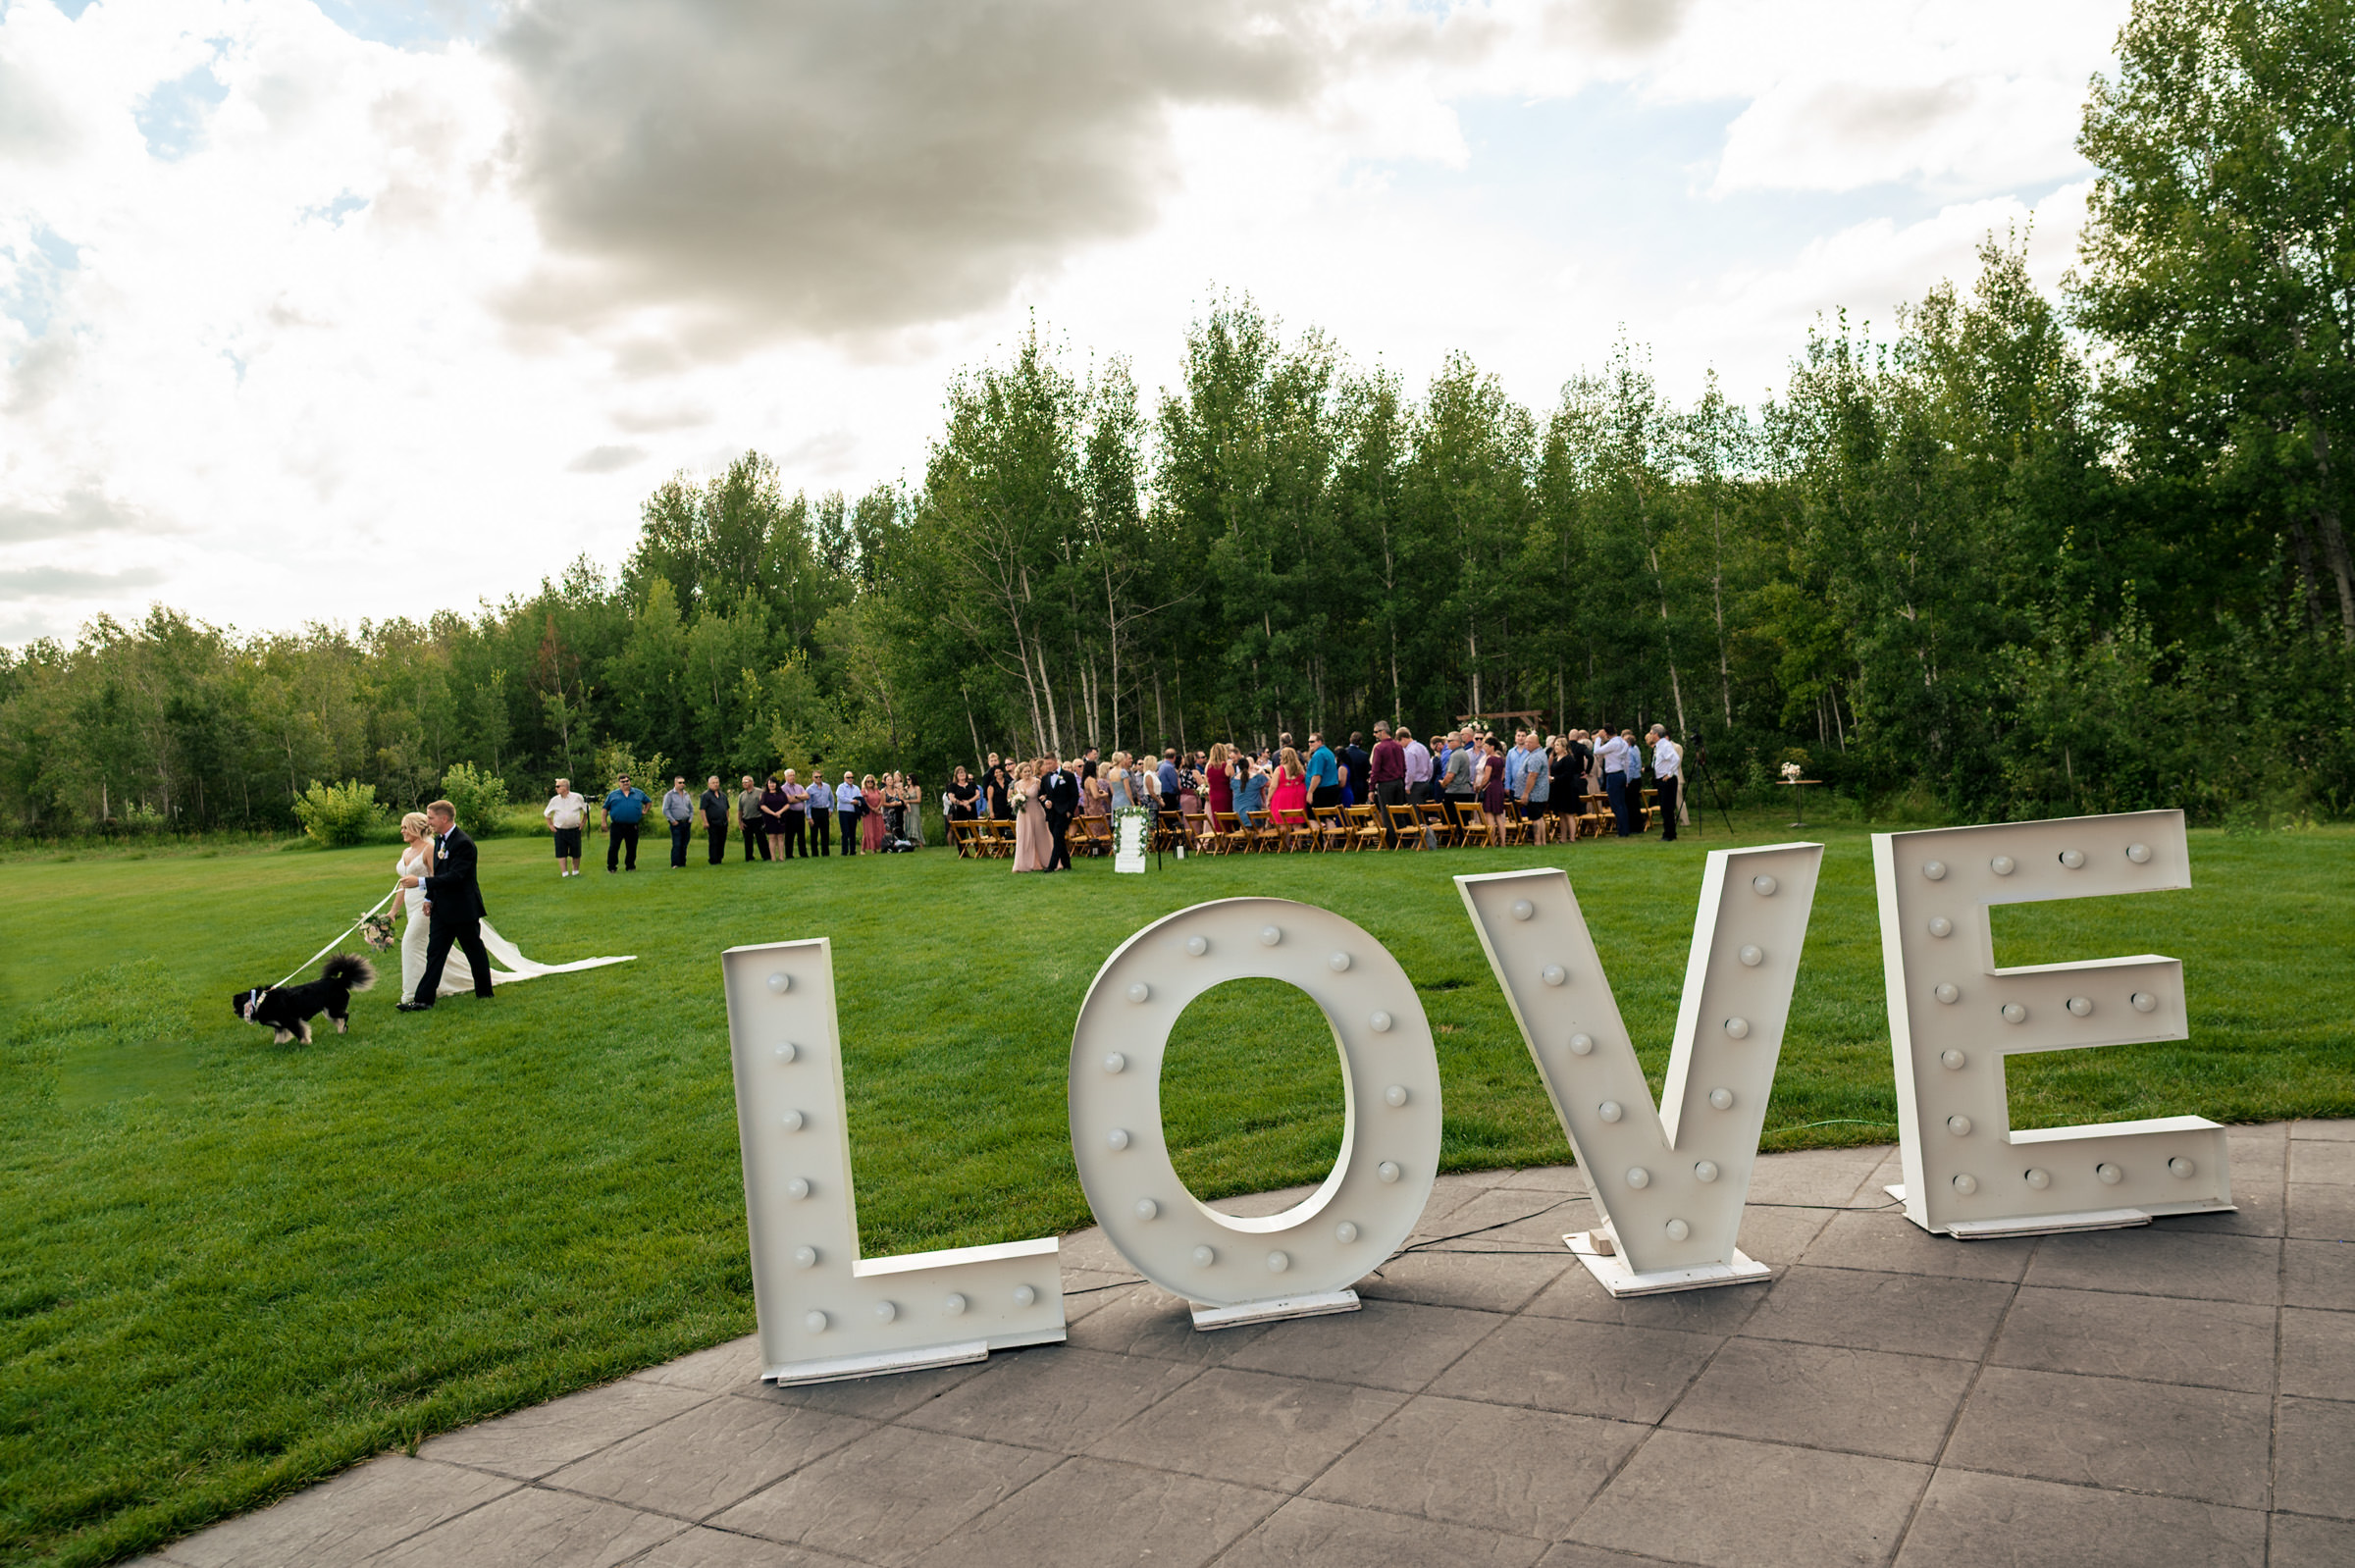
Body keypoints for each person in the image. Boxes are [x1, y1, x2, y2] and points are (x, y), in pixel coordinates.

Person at [396, 799, 495, 1011]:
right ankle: (423, 1000)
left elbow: (456, 877)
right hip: (441, 909)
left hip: (462, 908)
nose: (428, 822)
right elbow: (438, 873)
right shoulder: (440, 841)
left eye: (430, 818)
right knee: (435, 953)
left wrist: (420, 883)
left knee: (473, 951)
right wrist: (429, 898)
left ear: (444, 818)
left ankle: (485, 992)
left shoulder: (463, 843)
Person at [1369, 722, 1407, 845]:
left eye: (1376, 732)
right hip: (1399, 782)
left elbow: (1375, 769)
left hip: (1386, 784)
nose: (1374, 734)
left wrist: (1371, 788)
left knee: (1387, 813)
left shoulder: (1379, 748)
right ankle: (1403, 840)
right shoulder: (1398, 746)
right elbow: (1404, 766)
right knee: (1399, 812)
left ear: (1382, 731)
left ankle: (1392, 842)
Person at [1039, 752, 1078, 870]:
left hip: (1064, 812)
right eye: (1046, 764)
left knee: (1057, 837)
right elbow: (1041, 795)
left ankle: (1052, 866)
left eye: (1050, 763)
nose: (1048, 766)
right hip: (1051, 813)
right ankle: (1067, 864)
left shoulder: (1068, 776)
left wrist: (1070, 811)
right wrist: (1046, 802)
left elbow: (1074, 795)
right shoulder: (1045, 778)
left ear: (1055, 762)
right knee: (1058, 838)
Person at [602, 773, 649, 871]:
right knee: (614, 847)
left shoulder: (638, 793)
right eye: (623, 782)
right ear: (619, 783)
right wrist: (603, 822)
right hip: (617, 825)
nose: (626, 783)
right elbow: (605, 808)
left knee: (632, 847)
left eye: (627, 781)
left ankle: (630, 866)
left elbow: (648, 801)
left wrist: (645, 810)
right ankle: (612, 867)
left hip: (632, 825)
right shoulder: (613, 794)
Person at [543, 776, 587, 877]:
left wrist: (583, 823)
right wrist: (550, 825)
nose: (556, 788)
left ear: (565, 787)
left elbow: (586, 810)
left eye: (558, 786)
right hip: (560, 830)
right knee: (561, 851)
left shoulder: (577, 797)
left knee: (576, 851)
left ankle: (575, 871)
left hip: (574, 829)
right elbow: (547, 813)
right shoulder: (554, 800)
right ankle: (564, 873)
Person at [1010, 762, 1048, 872]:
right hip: (1023, 814)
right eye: (1025, 772)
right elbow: (1012, 799)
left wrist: (1044, 797)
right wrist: (1016, 802)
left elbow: (1045, 794)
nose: (1027, 773)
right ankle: (1023, 864)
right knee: (1024, 837)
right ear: (1020, 773)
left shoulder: (1037, 782)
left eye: (1029, 771)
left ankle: (1043, 861)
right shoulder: (1017, 785)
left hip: (1036, 811)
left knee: (1040, 836)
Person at [1648, 724, 1683, 843]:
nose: (1650, 735)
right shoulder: (1660, 746)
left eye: (1651, 733)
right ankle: (1670, 832)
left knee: (1667, 807)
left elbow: (1675, 759)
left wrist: (1669, 773)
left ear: (1656, 735)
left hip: (1667, 780)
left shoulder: (1665, 745)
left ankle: (1669, 834)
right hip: (1661, 779)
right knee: (1666, 807)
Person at [1598, 727, 1636, 837]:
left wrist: (1598, 739)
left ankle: (1622, 830)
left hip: (1613, 775)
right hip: (1621, 774)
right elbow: (1627, 762)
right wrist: (1627, 778)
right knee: (1622, 804)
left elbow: (1597, 751)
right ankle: (1625, 829)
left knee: (1616, 804)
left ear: (1606, 733)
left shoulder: (1612, 744)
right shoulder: (1623, 743)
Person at [1517, 731, 1551, 845]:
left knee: (1535, 818)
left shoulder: (1536, 757)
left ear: (1537, 743)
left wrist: (1526, 793)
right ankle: (1542, 841)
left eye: (1529, 742)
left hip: (1535, 793)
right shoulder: (1539, 753)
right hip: (1540, 792)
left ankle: (1537, 841)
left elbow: (1532, 775)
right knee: (1539, 817)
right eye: (1526, 742)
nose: (1527, 744)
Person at [1480, 736, 1510, 845]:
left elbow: (1486, 776)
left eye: (1486, 746)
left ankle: (1492, 841)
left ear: (1492, 747)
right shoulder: (1501, 759)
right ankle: (1503, 842)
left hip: (1490, 787)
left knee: (1489, 816)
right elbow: (1502, 776)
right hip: (1499, 787)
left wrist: (1481, 786)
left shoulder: (1490, 759)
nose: (1484, 748)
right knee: (1499, 817)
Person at [661, 776, 695, 868]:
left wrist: (690, 819)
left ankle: (682, 863)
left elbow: (691, 808)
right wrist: (672, 820)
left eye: (683, 782)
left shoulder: (686, 795)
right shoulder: (670, 795)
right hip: (676, 823)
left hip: (686, 822)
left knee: (684, 844)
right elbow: (665, 809)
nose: (682, 784)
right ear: (675, 783)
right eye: (680, 783)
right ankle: (675, 863)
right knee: (677, 844)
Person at [699, 775, 731, 864]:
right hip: (712, 822)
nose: (716, 784)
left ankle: (720, 858)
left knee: (722, 841)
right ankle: (713, 859)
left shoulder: (723, 795)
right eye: (713, 783)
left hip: (723, 822)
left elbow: (727, 808)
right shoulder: (706, 795)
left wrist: (727, 818)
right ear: (709, 784)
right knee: (714, 841)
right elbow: (702, 809)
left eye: (717, 782)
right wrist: (705, 822)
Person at [736, 774, 768, 862]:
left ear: (752, 782)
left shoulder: (760, 792)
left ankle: (766, 856)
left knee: (761, 839)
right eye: (743, 782)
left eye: (746, 782)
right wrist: (740, 822)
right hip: (746, 820)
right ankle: (749, 857)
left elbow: (765, 806)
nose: (744, 784)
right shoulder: (741, 795)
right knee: (748, 840)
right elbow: (740, 810)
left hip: (758, 819)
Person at [759, 773, 791, 861]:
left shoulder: (781, 793)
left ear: (776, 784)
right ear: (767, 784)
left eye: (773, 783)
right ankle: (773, 857)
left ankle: (781, 856)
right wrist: (773, 813)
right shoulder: (765, 794)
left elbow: (787, 805)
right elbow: (762, 806)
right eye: (770, 783)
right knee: (772, 837)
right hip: (769, 818)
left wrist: (779, 812)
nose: (772, 785)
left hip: (781, 817)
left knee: (781, 837)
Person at [778, 768, 810, 858]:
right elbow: (789, 800)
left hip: (800, 814)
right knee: (790, 835)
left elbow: (807, 796)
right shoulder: (783, 788)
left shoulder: (799, 787)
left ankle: (803, 854)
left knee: (801, 835)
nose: (792, 777)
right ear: (785, 777)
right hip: (790, 814)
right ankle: (789, 854)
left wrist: (796, 796)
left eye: (793, 775)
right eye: (790, 775)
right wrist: (800, 797)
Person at [1402, 728, 1435, 806]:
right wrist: (1428, 779)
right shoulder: (1422, 747)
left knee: (1416, 813)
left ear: (1403, 739)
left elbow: (1410, 772)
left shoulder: (1409, 751)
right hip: (1425, 783)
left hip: (1415, 785)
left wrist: (1407, 786)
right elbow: (1430, 767)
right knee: (1424, 812)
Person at [1236, 757, 1270, 827]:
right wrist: (1262, 771)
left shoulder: (1237, 778)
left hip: (1242, 808)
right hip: (1257, 806)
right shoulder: (1256, 777)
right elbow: (1270, 783)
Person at [807, 771, 834, 856]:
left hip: (824, 810)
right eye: (816, 777)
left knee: (825, 833)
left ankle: (825, 853)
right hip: (815, 811)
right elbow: (807, 804)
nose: (819, 778)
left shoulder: (827, 786)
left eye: (820, 776)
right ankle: (815, 853)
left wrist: (831, 809)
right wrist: (809, 817)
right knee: (814, 834)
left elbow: (831, 798)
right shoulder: (809, 789)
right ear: (813, 778)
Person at [1342, 732, 1371, 809]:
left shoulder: (1344, 753)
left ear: (1350, 740)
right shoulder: (1364, 755)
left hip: (1347, 785)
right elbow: (1367, 772)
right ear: (1361, 741)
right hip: (1360, 787)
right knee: (1359, 811)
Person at [861, 773, 887, 854]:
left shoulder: (877, 790)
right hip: (868, 814)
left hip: (877, 812)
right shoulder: (864, 791)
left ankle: (875, 848)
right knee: (869, 831)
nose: (870, 782)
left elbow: (881, 800)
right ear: (865, 782)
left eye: (871, 781)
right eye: (868, 781)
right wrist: (873, 809)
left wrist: (878, 808)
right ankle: (863, 849)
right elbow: (865, 802)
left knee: (877, 830)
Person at [837, 770, 862, 855]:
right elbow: (841, 798)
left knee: (852, 832)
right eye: (848, 777)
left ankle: (852, 850)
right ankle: (844, 851)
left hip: (853, 812)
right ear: (844, 778)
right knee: (845, 832)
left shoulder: (856, 788)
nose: (850, 779)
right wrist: (852, 801)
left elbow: (860, 799)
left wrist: (858, 802)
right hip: (843, 812)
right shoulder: (841, 787)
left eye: (852, 777)